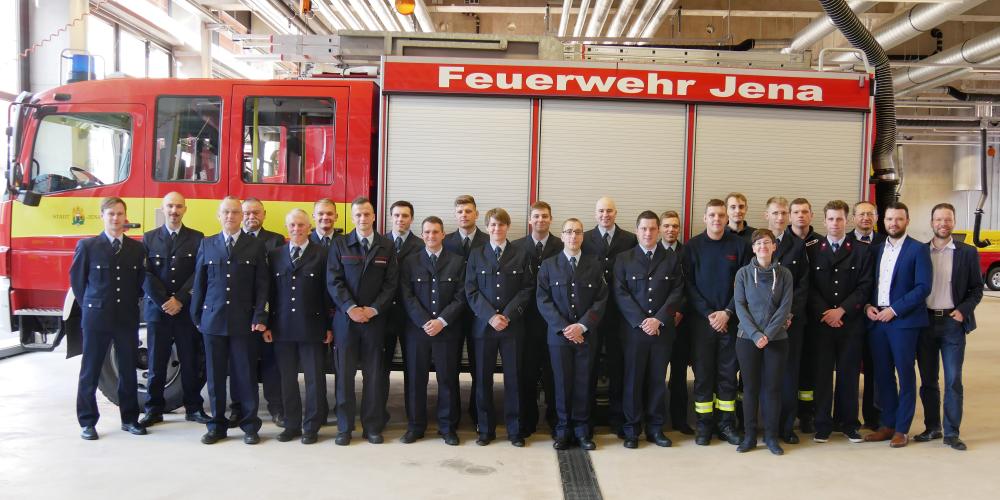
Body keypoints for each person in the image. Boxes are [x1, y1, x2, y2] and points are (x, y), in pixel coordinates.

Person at [190, 196, 269, 445]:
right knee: (215, 377)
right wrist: (196, 316)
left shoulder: (254, 246)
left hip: (243, 321)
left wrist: (259, 315)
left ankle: (249, 425)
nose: (231, 216)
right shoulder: (207, 244)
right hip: (212, 320)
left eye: (236, 212)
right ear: (218, 215)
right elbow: (199, 283)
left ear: (242, 216)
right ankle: (217, 426)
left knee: (245, 375)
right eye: (226, 212)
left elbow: (262, 286)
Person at [71, 197, 148, 440]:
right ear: (102, 216)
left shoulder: (136, 249)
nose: (116, 218)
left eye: (120, 214)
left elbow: (139, 285)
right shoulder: (88, 246)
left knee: (127, 370)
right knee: (90, 370)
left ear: (126, 217)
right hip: (97, 318)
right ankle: (87, 422)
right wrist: (91, 307)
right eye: (111, 214)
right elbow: (78, 283)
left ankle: (130, 419)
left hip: (126, 317)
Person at [326, 197, 399, 445]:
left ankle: (372, 427)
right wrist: (350, 308)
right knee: (344, 377)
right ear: (352, 217)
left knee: (374, 377)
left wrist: (373, 309)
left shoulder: (387, 246)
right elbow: (333, 281)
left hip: (375, 322)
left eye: (367, 214)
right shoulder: (340, 245)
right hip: (346, 323)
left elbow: (391, 284)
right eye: (357, 215)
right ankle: (344, 428)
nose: (362, 219)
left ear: (374, 216)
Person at [612, 211, 685, 449]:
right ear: (637, 230)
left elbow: (677, 291)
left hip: (662, 331)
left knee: (657, 380)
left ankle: (655, 428)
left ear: (659, 231)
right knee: (632, 381)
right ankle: (632, 429)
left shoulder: (671, 258)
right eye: (644, 229)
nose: (648, 233)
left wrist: (659, 319)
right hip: (634, 332)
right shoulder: (624, 258)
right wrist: (642, 321)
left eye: (652, 229)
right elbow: (620, 293)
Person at [863, 201, 932, 448]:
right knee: (882, 376)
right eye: (890, 219)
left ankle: (902, 429)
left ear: (907, 221)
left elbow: (923, 287)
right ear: (884, 221)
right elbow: (871, 284)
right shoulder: (877, 250)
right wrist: (867, 306)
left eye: (899, 219)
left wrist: (894, 310)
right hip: (877, 322)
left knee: (904, 375)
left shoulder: (918, 250)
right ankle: (888, 424)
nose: (894, 223)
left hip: (903, 322)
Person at [915, 203, 983, 451]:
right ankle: (932, 427)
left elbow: (977, 288)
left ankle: (952, 433)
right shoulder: (920, 252)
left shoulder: (967, 252)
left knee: (953, 379)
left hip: (953, 324)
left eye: (948, 219)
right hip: (925, 323)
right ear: (931, 222)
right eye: (938, 219)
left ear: (953, 222)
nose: (943, 224)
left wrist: (962, 311)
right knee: (928, 380)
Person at [683, 199, 752, 446]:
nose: (717, 219)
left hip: (730, 322)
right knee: (703, 376)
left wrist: (727, 312)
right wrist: (709, 314)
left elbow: (745, 284)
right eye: (712, 214)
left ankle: (726, 425)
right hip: (702, 323)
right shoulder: (692, 247)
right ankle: (704, 426)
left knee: (726, 375)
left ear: (727, 218)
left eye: (721, 215)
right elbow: (688, 284)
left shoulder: (739, 245)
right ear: (704, 218)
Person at [139, 192, 209, 427]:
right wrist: (163, 301)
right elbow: (145, 274)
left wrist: (179, 299)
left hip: (185, 310)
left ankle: (194, 408)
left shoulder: (197, 238)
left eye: (179, 206)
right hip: (158, 312)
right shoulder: (149, 238)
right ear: (163, 208)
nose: (174, 211)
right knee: (156, 362)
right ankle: (153, 409)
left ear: (185, 209)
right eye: (170, 206)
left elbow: (199, 273)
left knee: (190, 362)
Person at [465, 208, 534, 447]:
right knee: (482, 379)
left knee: (513, 379)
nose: (497, 229)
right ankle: (485, 429)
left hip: (512, 327)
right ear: (487, 227)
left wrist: (506, 315)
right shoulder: (476, 254)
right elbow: (470, 290)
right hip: (483, 328)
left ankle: (515, 430)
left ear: (508, 227)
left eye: (501, 225)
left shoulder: (521, 254)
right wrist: (490, 316)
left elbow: (527, 289)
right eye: (493, 225)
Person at [537, 218, 607, 450]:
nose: (573, 236)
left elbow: (600, 300)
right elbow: (543, 300)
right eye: (568, 232)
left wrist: (582, 326)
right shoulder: (549, 265)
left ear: (582, 236)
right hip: (558, 337)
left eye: (577, 232)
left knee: (584, 383)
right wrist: (565, 328)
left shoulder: (594, 264)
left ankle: (582, 430)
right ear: (562, 235)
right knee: (561, 384)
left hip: (586, 335)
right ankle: (563, 430)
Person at [265, 209, 332, 445]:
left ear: (309, 227)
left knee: (315, 379)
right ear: (287, 227)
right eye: (292, 225)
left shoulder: (322, 254)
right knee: (287, 379)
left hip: (312, 327)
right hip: (282, 327)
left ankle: (312, 426)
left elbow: (327, 294)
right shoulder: (275, 255)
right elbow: (269, 293)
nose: (296, 229)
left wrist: (328, 326)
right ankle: (292, 424)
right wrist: (267, 325)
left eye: (301, 225)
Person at [807, 200, 872, 444]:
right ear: (824, 221)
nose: (835, 223)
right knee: (822, 375)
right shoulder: (813, 249)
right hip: (822, 324)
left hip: (850, 324)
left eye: (840, 219)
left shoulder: (861, 250)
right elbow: (809, 287)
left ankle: (849, 424)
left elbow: (865, 286)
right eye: (831, 219)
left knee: (849, 375)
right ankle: (822, 424)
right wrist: (826, 312)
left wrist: (842, 311)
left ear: (848, 221)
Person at [399, 216, 466, 446]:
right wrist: (425, 321)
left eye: (435, 232)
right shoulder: (410, 261)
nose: (431, 236)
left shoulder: (457, 262)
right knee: (416, 380)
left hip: (447, 331)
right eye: (426, 232)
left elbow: (461, 296)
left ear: (443, 235)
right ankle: (415, 427)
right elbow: (406, 295)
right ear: (422, 234)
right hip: (418, 331)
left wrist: (442, 321)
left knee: (447, 380)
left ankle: (447, 427)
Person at [733, 229, 793, 456]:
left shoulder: (785, 274)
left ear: (774, 246)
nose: (763, 247)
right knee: (750, 389)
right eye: (758, 243)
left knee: (772, 389)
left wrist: (768, 333)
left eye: (767, 243)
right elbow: (740, 306)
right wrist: (756, 335)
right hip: (747, 340)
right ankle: (749, 436)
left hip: (777, 340)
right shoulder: (743, 274)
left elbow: (785, 307)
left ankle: (770, 436)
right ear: (753, 247)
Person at [581, 196, 637, 436]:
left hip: (619, 313)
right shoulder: (585, 239)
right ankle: (588, 418)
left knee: (618, 367)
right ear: (595, 214)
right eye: (601, 211)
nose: (605, 215)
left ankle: (617, 418)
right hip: (592, 313)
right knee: (589, 366)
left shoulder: (630, 240)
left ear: (616, 213)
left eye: (609, 211)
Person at [761, 197, 810, 445]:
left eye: (783, 213)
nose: (780, 218)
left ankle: (786, 426)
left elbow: (802, 286)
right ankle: (760, 423)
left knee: (789, 374)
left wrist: (789, 314)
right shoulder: (757, 243)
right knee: (762, 375)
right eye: (775, 213)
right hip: (760, 325)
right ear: (766, 216)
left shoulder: (797, 246)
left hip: (790, 324)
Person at [513, 201, 564, 437]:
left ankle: (555, 421)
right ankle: (527, 422)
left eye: (545, 216)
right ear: (530, 220)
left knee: (554, 374)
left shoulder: (562, 246)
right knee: (527, 373)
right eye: (536, 216)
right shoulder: (516, 247)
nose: (540, 220)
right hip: (526, 322)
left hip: (555, 322)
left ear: (551, 219)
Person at [236, 197, 285, 428]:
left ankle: (276, 407)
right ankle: (239, 409)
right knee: (241, 364)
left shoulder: (275, 240)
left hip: (268, 311)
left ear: (264, 214)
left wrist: (268, 315)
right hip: (241, 314)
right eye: (246, 213)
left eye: (256, 212)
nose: (251, 216)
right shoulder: (234, 240)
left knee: (271, 363)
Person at [442, 194, 489, 424]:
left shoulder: (488, 240)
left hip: (480, 315)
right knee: (450, 368)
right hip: (451, 315)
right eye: (460, 211)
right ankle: (453, 414)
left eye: (468, 211)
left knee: (479, 368)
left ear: (476, 214)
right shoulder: (445, 240)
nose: (464, 215)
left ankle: (477, 413)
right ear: (455, 215)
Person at [384, 200, 425, 423]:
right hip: (385, 315)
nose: (401, 219)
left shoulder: (420, 245)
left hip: (412, 317)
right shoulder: (380, 243)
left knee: (413, 370)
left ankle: (413, 418)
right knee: (382, 368)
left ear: (411, 219)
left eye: (405, 216)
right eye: (397, 215)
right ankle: (379, 413)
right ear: (391, 217)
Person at [848, 200, 885, 430]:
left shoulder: (885, 242)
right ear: (853, 218)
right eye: (861, 214)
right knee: (849, 369)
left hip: (878, 316)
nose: (865, 218)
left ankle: (873, 416)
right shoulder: (845, 242)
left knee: (874, 367)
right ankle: (847, 417)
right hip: (851, 315)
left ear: (877, 218)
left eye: (870, 214)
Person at [789, 197, 821, 434]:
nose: (800, 216)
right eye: (796, 212)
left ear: (811, 215)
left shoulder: (820, 243)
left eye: (805, 212)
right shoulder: (780, 242)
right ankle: (787, 412)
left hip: (817, 316)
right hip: (790, 316)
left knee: (810, 366)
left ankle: (807, 413)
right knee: (789, 367)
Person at [661, 210, 693, 435]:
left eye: (675, 226)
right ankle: (652, 419)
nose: (671, 230)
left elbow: (690, 285)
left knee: (679, 375)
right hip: (657, 324)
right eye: (667, 226)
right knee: (654, 374)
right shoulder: (649, 252)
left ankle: (680, 420)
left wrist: (680, 311)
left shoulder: (688, 253)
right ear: (660, 228)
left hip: (681, 324)